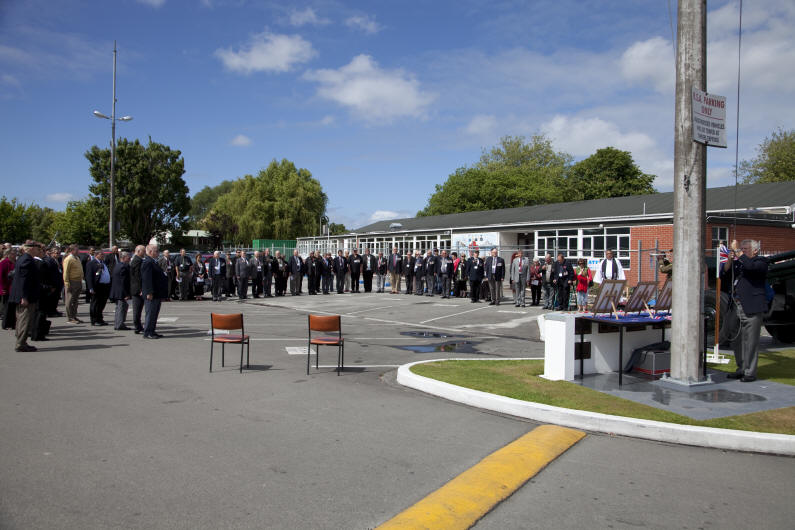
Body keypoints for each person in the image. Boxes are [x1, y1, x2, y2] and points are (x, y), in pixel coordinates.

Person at [721, 239, 769, 382]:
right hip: (735, 306)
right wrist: (730, 259)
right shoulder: (740, 263)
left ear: (755, 250)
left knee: (750, 341)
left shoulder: (760, 262)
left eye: (746, 248)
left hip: (751, 307)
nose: (742, 251)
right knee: (736, 340)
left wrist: (738, 252)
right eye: (741, 248)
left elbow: (751, 268)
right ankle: (741, 367)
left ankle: (750, 372)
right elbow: (725, 273)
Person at [9, 241, 42, 351]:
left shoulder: (24, 258)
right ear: (31, 249)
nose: (39, 250)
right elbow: (24, 280)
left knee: (21, 319)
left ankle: (21, 341)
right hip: (26, 296)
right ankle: (20, 344)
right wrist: (24, 296)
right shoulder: (27, 260)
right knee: (25, 320)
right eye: (37, 248)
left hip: (24, 295)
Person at [141, 244, 168, 339]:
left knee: (154, 313)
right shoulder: (147, 262)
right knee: (151, 313)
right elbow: (147, 279)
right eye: (156, 251)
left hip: (157, 293)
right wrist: (149, 292)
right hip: (152, 293)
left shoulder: (153, 262)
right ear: (150, 252)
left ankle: (152, 330)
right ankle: (148, 332)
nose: (158, 253)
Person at [86, 250, 111, 326]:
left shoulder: (103, 263)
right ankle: (94, 320)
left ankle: (100, 318)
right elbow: (89, 276)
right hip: (97, 286)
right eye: (101, 254)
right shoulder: (91, 263)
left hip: (104, 286)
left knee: (102, 303)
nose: (103, 256)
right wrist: (91, 287)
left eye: (103, 254)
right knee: (95, 303)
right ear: (96, 255)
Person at [109, 251, 132, 330]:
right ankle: (119, 324)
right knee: (121, 309)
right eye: (128, 257)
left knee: (119, 308)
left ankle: (118, 323)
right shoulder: (124, 266)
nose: (129, 259)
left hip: (118, 291)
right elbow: (123, 282)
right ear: (123, 258)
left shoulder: (118, 265)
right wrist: (126, 294)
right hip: (121, 292)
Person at [61, 245, 83, 324]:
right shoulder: (68, 259)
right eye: (76, 250)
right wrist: (67, 282)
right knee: (70, 300)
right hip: (71, 281)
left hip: (78, 281)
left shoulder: (77, 258)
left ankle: (74, 316)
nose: (78, 251)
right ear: (72, 250)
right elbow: (66, 272)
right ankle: (70, 317)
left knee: (75, 300)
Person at [1, 247, 18, 329]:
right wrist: (2, 288)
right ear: (8, 255)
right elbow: (1, 277)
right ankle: (5, 324)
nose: (15, 255)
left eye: (15, 254)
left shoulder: (15, 262)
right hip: (6, 288)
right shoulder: (4, 263)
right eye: (13, 254)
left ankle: (12, 323)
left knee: (13, 307)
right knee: (7, 307)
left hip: (14, 288)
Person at [130, 245, 145, 333]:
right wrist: (140, 289)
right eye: (143, 251)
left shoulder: (137, 260)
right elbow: (137, 276)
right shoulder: (137, 260)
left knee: (138, 309)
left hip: (136, 288)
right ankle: (137, 327)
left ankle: (138, 326)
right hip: (137, 289)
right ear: (138, 251)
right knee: (137, 309)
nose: (144, 253)